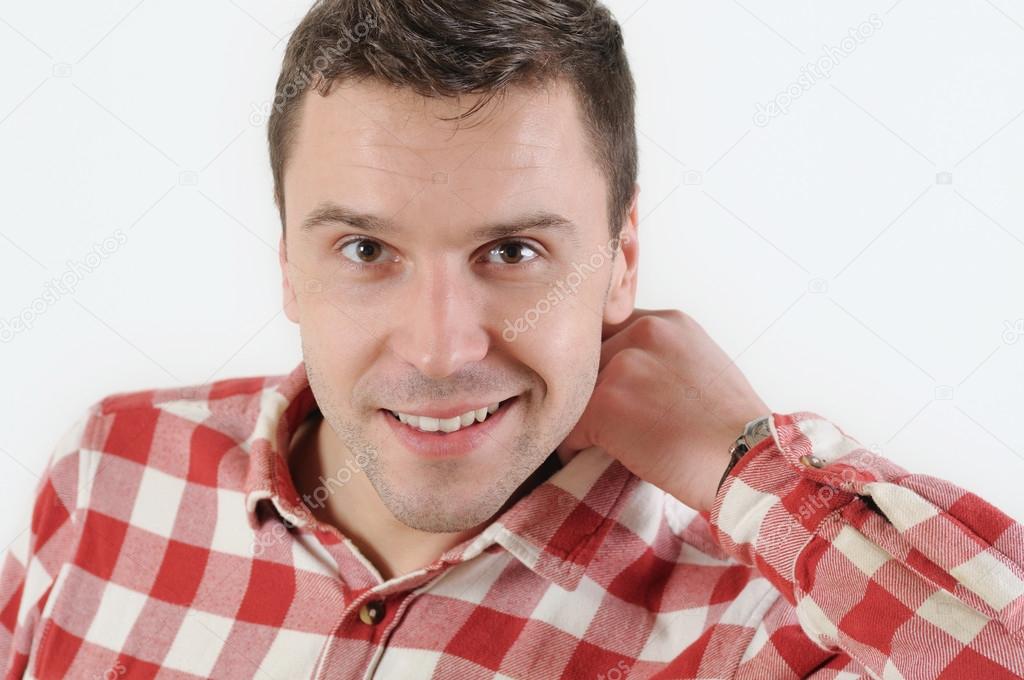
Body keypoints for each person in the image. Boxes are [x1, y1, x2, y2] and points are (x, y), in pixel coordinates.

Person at [2, 1, 1022, 678]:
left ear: (622, 260)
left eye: (512, 252)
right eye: (365, 247)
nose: (441, 348)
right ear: (285, 263)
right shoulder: (111, 469)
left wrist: (749, 466)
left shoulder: (760, 618)